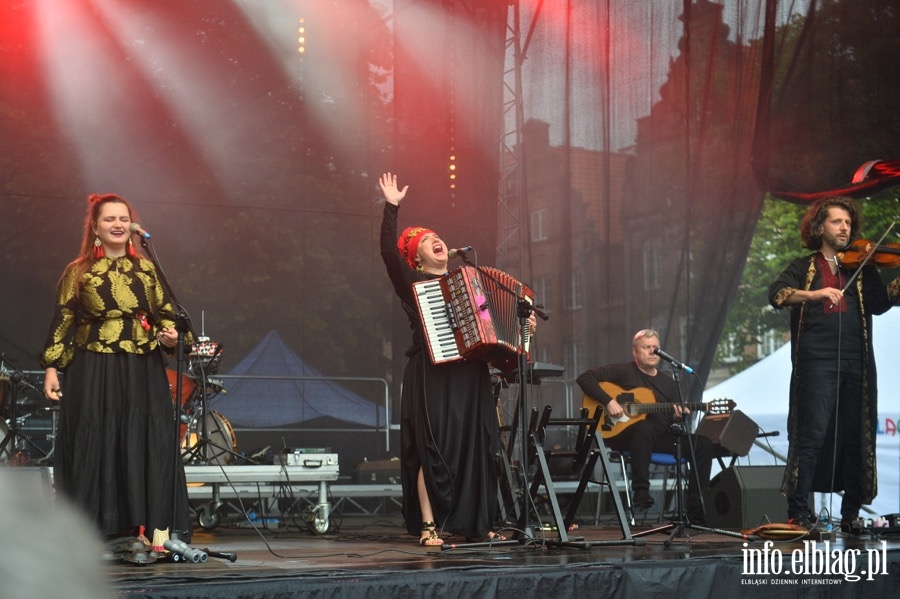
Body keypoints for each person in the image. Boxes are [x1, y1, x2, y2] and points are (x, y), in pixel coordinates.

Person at [379, 172, 534, 546]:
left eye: (437, 238)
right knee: (431, 448)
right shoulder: (412, 284)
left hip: (470, 374)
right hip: (432, 374)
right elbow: (387, 251)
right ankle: (430, 526)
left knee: (480, 446)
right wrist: (391, 207)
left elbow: (496, 331)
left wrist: (523, 322)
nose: (436, 242)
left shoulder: (472, 280)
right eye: (426, 241)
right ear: (415, 255)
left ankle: (480, 523)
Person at [41, 193, 192, 542]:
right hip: (93, 366)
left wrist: (168, 336)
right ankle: (91, 532)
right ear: (95, 227)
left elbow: (167, 311)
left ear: (132, 226)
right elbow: (63, 319)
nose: (118, 225)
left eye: (123, 219)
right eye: (110, 219)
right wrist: (51, 366)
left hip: (140, 366)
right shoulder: (78, 272)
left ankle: (149, 529)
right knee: (97, 437)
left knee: (143, 438)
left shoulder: (146, 269)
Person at [768, 195, 899, 533]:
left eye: (848, 223)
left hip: (857, 359)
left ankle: (851, 514)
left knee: (859, 434)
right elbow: (778, 294)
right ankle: (799, 512)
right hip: (817, 360)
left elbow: (880, 303)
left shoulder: (863, 267)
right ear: (820, 227)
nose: (845, 228)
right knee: (811, 434)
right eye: (837, 222)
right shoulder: (804, 266)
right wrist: (815, 294)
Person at [576, 329, 713, 523]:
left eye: (655, 348)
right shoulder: (623, 371)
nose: (651, 352)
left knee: (703, 445)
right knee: (644, 426)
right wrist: (608, 401)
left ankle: (695, 510)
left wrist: (677, 417)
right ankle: (641, 491)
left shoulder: (669, 384)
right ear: (635, 351)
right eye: (646, 347)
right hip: (622, 435)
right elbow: (584, 378)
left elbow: (671, 421)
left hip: (656, 437)